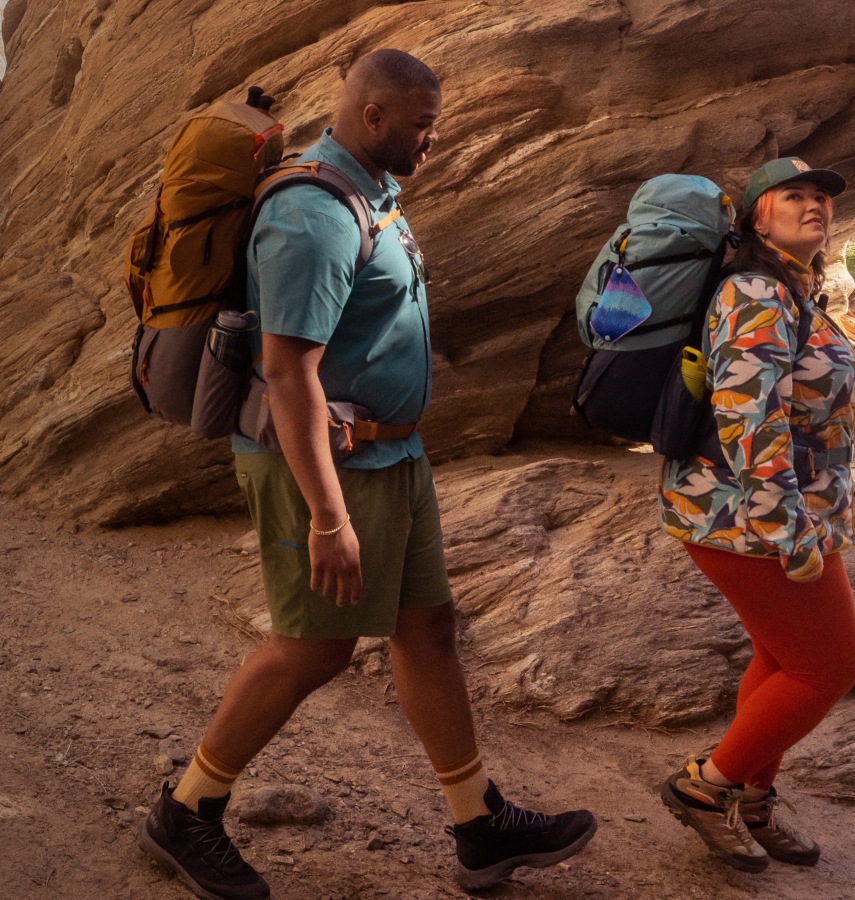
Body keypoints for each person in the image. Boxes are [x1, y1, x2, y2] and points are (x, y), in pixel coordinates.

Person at [136, 49, 597, 899]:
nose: (435, 138)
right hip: (323, 470)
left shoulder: (370, 191)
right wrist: (326, 517)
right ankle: (187, 809)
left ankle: (478, 825)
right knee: (313, 648)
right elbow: (287, 374)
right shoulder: (312, 216)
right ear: (374, 116)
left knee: (428, 631)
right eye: (423, 124)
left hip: (389, 454)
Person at [655, 157, 855, 872]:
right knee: (830, 666)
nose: (814, 206)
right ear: (756, 217)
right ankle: (706, 788)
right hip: (744, 516)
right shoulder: (755, 291)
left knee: (782, 660)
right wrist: (787, 530)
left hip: (782, 511)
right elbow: (748, 416)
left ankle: (751, 795)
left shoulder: (797, 290)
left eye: (821, 197)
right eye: (794, 196)